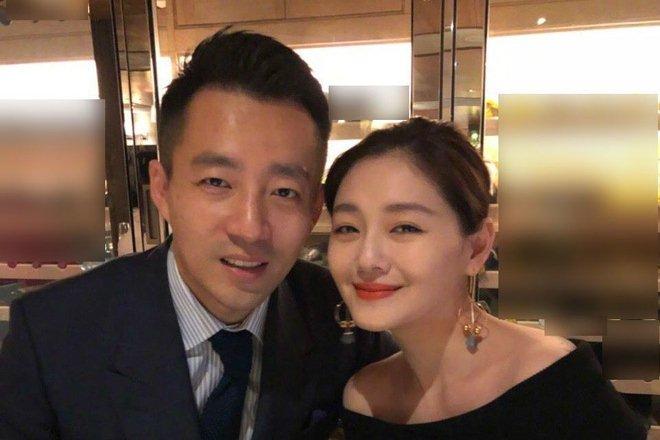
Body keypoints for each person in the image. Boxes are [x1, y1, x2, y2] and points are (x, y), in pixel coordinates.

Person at [0, 29, 393, 439]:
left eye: (283, 191)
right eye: (216, 182)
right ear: (162, 189)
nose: (250, 228)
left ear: (314, 208)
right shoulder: (52, 337)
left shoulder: (343, 321)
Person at [324, 118, 648, 439]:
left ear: (477, 247)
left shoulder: (553, 379)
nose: (367, 260)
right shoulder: (365, 399)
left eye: (405, 227)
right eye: (347, 228)